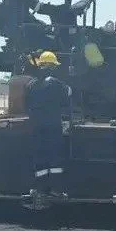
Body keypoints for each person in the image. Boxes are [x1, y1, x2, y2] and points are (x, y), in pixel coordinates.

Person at [23, 51, 72, 210]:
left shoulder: (31, 85)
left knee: (40, 158)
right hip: (52, 126)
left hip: (36, 127)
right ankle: (56, 190)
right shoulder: (57, 84)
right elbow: (67, 97)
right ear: (52, 66)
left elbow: (26, 104)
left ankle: (40, 190)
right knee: (55, 157)